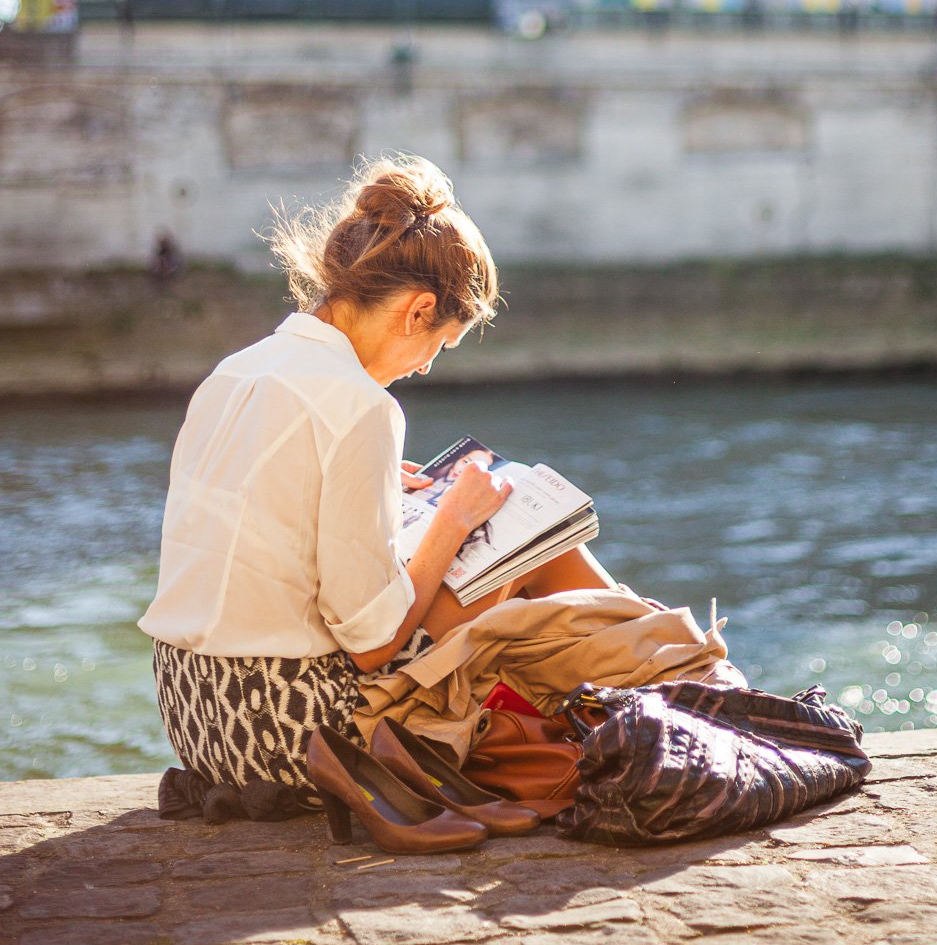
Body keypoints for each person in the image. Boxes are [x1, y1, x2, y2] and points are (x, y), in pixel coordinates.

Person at [139, 153, 619, 805]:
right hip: (289, 731)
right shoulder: (361, 407)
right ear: (419, 310)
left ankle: (670, 688)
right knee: (538, 545)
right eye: (438, 346)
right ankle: (683, 694)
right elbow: (372, 644)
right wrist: (452, 522)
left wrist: (379, 485)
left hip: (196, 713)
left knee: (523, 550)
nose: (424, 367)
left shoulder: (239, 370)